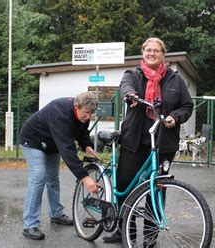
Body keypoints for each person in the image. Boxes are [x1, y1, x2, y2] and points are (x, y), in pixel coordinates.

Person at [103, 37, 194, 243]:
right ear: (143, 52)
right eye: (148, 50)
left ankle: (150, 237)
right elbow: (124, 87)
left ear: (163, 55)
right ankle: (125, 230)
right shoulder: (133, 75)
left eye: (156, 51)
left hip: (163, 143)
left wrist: (175, 117)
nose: (151, 53)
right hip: (134, 141)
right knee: (126, 186)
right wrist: (131, 96)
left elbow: (187, 106)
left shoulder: (175, 80)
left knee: (157, 188)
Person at [20, 92, 100, 240]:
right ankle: (29, 224)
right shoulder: (60, 114)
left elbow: (82, 132)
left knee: (53, 178)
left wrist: (86, 146)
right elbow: (68, 151)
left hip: (51, 143)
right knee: (39, 176)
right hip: (32, 141)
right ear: (77, 107)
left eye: (91, 114)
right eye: (86, 113)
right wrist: (85, 178)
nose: (88, 117)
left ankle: (56, 214)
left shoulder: (84, 113)